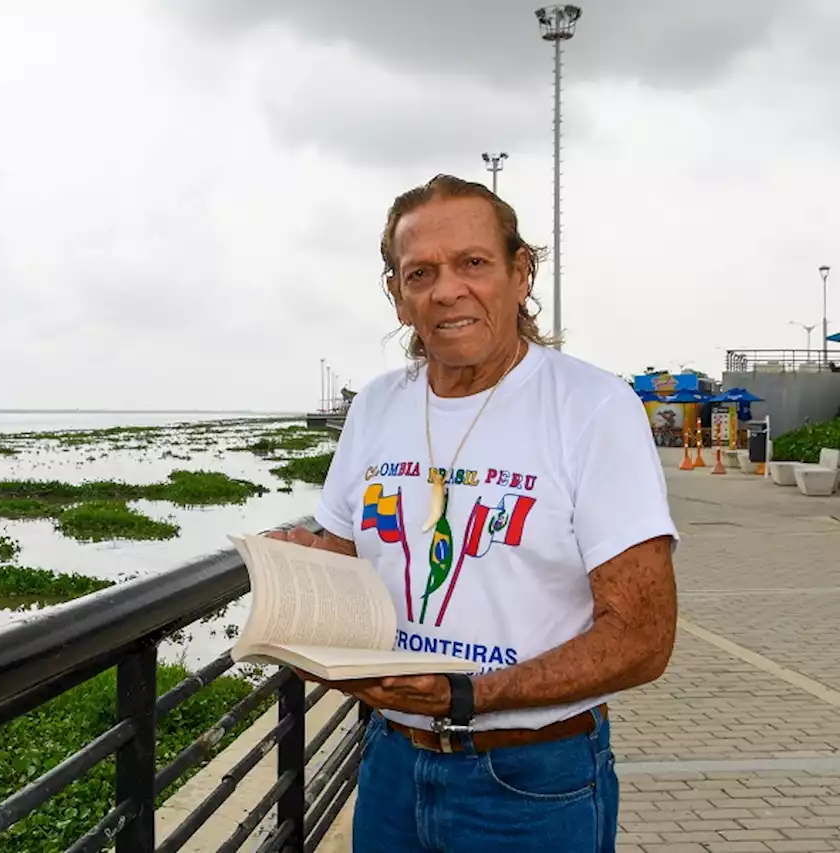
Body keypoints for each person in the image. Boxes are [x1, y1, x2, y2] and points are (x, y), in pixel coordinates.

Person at [270, 174, 678, 852]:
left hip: (531, 779)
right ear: (399, 297)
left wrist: (469, 694)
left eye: (474, 263)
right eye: (420, 272)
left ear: (521, 274)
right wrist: (296, 576)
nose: (447, 289)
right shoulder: (376, 405)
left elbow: (643, 637)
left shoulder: (593, 407)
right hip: (392, 762)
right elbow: (341, 562)